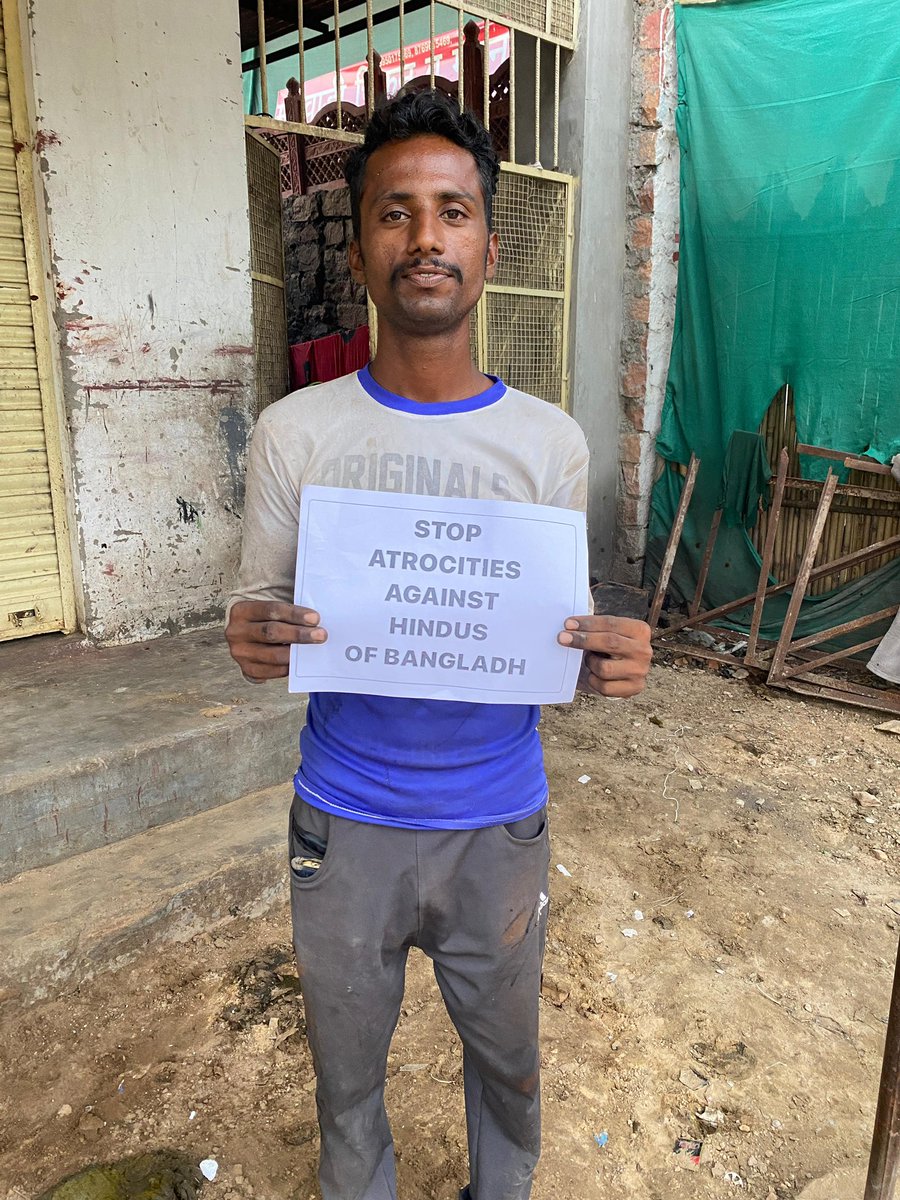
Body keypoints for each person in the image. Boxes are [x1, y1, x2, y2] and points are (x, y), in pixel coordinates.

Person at [225, 90, 652, 1200]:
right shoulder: (295, 433)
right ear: (361, 242)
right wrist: (254, 633)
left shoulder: (549, 443)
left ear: (489, 246)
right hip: (346, 823)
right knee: (346, 1075)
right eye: (395, 212)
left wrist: (607, 660)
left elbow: (553, 641)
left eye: (452, 212)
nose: (425, 238)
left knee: (509, 1063)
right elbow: (252, 618)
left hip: (496, 826)